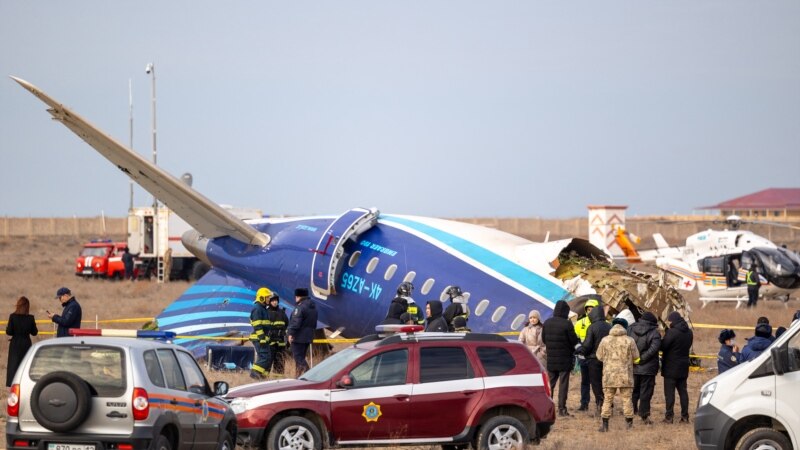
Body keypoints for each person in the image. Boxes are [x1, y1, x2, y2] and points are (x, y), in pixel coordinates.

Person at [596, 317, 639, 432]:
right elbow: (636, 356)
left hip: (609, 375)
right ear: (625, 327)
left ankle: (605, 426)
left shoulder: (605, 340)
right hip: (625, 376)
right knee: (627, 399)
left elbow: (599, 356)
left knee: (607, 399)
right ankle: (629, 426)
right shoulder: (629, 340)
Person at [542, 300, 580, 417]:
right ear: (565, 312)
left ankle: (547, 409)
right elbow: (573, 341)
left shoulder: (547, 322)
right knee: (563, 385)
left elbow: (544, 340)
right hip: (565, 359)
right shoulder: (567, 324)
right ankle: (562, 409)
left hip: (551, 360)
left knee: (550, 385)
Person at [628, 311, 661, 424]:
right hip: (648, 368)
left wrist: (634, 358)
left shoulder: (630, 329)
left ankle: (631, 411)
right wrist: (641, 359)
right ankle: (644, 415)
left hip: (633, 365)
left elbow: (627, 344)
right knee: (646, 392)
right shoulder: (654, 333)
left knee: (633, 390)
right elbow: (654, 349)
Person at [660, 311, 693, 424]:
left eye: (669, 321)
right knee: (683, 392)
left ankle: (669, 417)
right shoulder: (689, 332)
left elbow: (663, 346)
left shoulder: (672, 332)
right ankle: (685, 416)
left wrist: (662, 337)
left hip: (670, 367)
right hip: (683, 367)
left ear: (672, 321)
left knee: (669, 394)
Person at [581, 303, 612, 417]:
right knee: (607, 383)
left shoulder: (592, 327)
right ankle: (609, 404)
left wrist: (582, 352)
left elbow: (587, 345)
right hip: (608, 360)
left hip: (594, 360)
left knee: (596, 383)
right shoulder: (609, 326)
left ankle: (600, 404)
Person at [574, 298, 600, 411]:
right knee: (585, 382)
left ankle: (600, 403)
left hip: (596, 358)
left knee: (598, 382)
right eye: (588, 310)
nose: (590, 312)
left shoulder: (602, 323)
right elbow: (575, 339)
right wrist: (580, 350)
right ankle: (584, 404)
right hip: (583, 357)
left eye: (592, 309)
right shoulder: (580, 323)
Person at [6, 296, 38, 386]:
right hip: (26, 344)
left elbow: (9, 332)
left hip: (15, 344)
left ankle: (13, 385)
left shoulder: (13, 317)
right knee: (25, 365)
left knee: (13, 366)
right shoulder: (30, 318)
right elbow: (34, 332)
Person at [287, 288, 317, 376]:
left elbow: (295, 322)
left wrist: (290, 333)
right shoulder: (313, 308)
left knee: (299, 358)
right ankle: (299, 378)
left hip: (298, 337)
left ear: (298, 296)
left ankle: (310, 375)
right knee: (301, 358)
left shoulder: (300, 308)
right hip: (308, 337)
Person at [249, 287, 272, 379]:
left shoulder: (263, 308)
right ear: (261, 298)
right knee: (264, 357)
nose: (269, 299)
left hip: (263, 338)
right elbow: (257, 325)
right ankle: (254, 373)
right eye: (267, 297)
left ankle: (263, 377)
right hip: (259, 338)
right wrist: (262, 338)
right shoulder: (257, 309)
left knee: (268, 358)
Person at [266, 293, 289, 374]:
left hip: (280, 343)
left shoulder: (282, 313)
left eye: (276, 300)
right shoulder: (266, 312)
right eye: (273, 301)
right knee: (267, 363)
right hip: (270, 343)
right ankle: (264, 379)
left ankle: (279, 379)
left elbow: (287, 325)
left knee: (280, 364)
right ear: (269, 302)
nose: (275, 302)